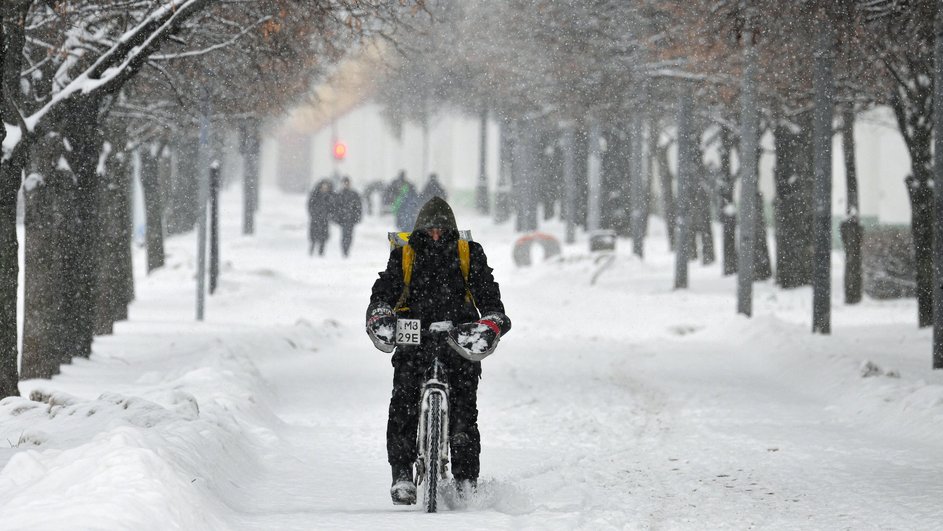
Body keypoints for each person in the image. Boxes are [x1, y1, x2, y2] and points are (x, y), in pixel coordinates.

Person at [365, 197, 511, 505]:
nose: (435, 235)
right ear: (420, 230)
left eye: (441, 230)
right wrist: (380, 311)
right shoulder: (404, 255)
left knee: (464, 413)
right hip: (413, 335)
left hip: (458, 337)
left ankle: (466, 482)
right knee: (403, 401)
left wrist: (492, 318)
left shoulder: (468, 254)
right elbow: (386, 289)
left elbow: (487, 292)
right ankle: (402, 474)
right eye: (430, 230)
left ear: (452, 230)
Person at [333, 176, 362, 257]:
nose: (346, 184)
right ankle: (344, 250)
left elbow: (358, 207)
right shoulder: (339, 194)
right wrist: (337, 218)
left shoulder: (354, 194)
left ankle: (347, 249)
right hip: (343, 219)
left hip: (351, 219)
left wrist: (357, 217)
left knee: (349, 236)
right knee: (344, 235)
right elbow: (336, 207)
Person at [307, 179, 334, 256]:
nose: (324, 189)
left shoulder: (330, 196)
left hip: (325, 220)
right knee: (313, 237)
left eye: (326, 187)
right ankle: (312, 251)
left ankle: (321, 252)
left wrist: (329, 215)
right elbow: (310, 206)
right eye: (323, 187)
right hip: (315, 219)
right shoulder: (315, 195)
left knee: (323, 237)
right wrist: (314, 214)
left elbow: (332, 208)